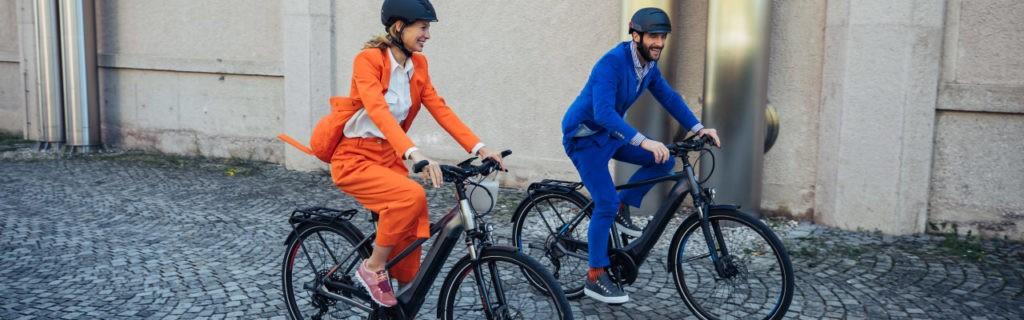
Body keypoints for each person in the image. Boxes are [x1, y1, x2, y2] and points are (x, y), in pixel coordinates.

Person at [332, 0, 504, 307]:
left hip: (388, 157)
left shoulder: (418, 66)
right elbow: (378, 111)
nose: (428, 35)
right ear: (399, 27)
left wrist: (480, 147)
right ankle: (372, 268)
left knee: (411, 235)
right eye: (423, 27)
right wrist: (414, 154)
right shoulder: (368, 60)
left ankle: (398, 300)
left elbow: (440, 109)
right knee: (410, 196)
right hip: (355, 158)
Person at [560, 7, 721, 304]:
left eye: (663, 36)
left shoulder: (648, 66)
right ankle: (595, 275)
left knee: (663, 160)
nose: (659, 42)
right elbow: (603, 112)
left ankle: (623, 206)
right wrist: (644, 140)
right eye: (653, 36)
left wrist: (699, 128)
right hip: (585, 138)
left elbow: (669, 98)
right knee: (604, 202)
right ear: (636, 36)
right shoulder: (611, 64)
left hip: (608, 134)